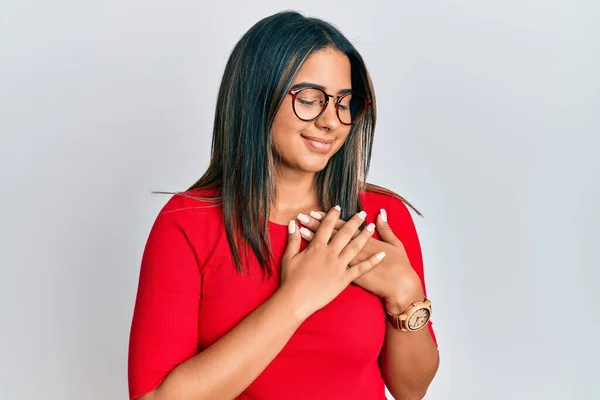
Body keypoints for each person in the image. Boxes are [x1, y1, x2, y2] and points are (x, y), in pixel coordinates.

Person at [128, 10, 439, 400]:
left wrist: (406, 293)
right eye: (310, 99)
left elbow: (412, 389)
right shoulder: (188, 223)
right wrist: (296, 299)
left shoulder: (379, 217)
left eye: (345, 102)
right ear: (257, 99)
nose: (332, 121)